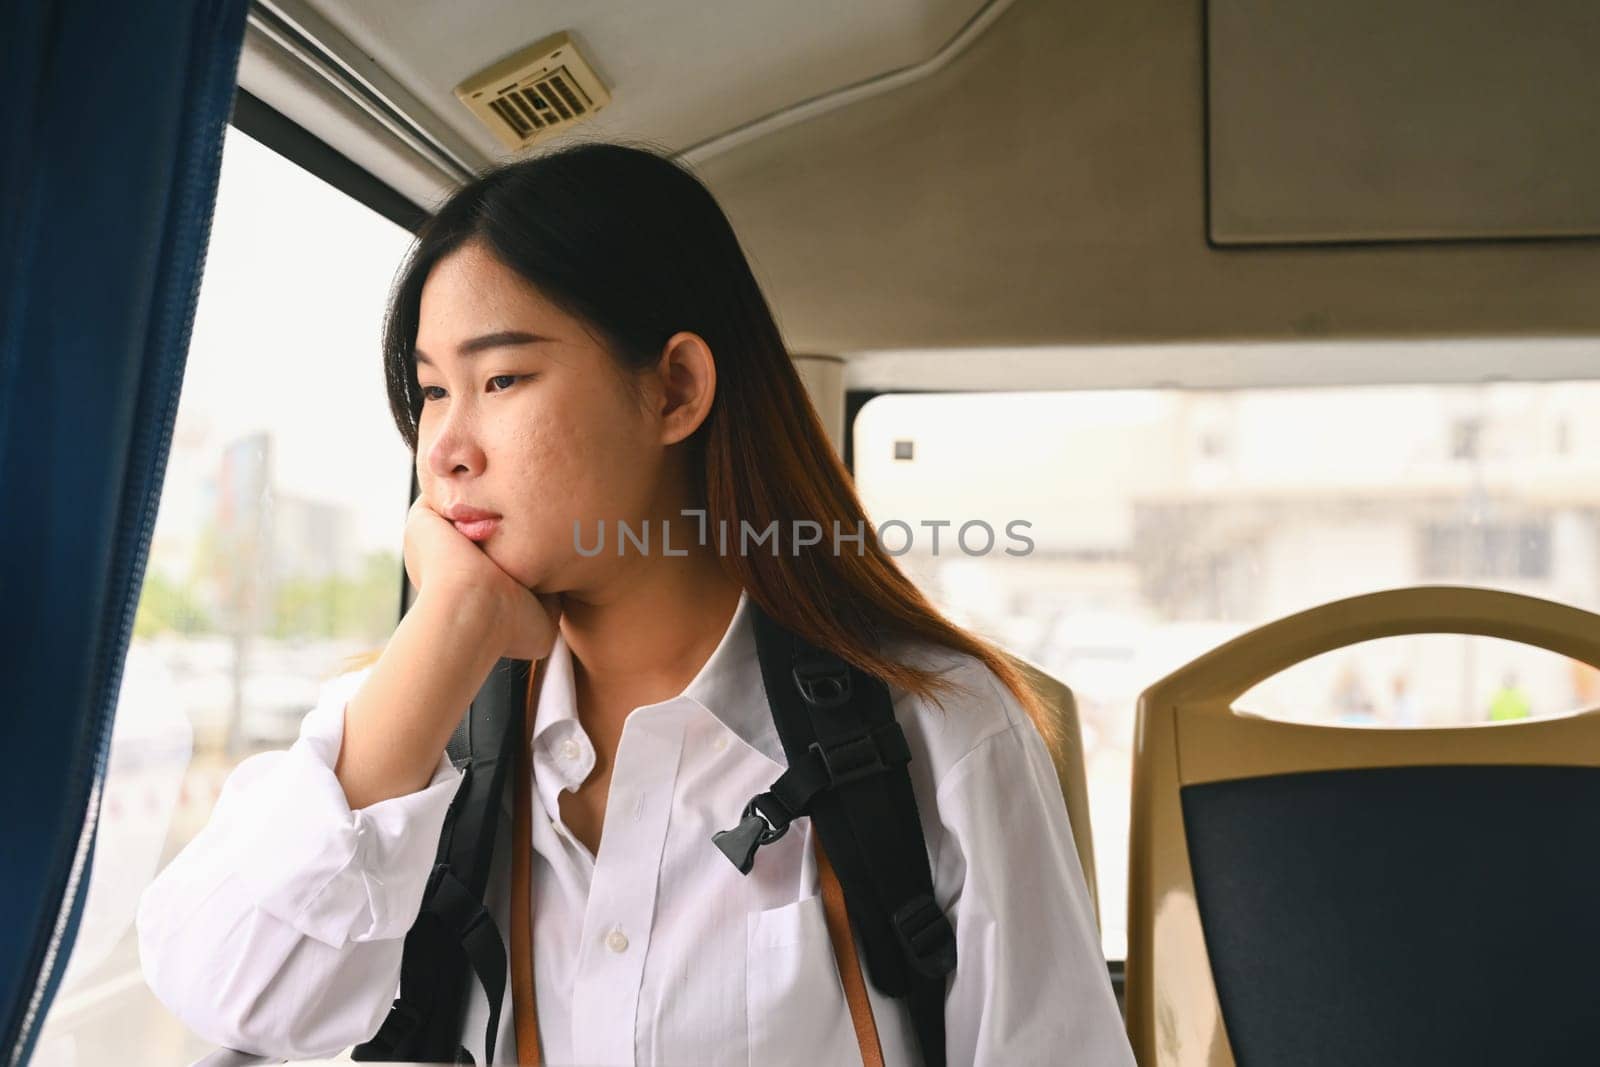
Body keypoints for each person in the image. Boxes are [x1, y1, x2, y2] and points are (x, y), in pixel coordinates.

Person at [136, 142, 1132, 1065]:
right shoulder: (414, 722)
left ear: (674, 389)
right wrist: (449, 624)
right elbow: (238, 996)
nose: (445, 445)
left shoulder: (938, 730)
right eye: (433, 390)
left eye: (503, 376)